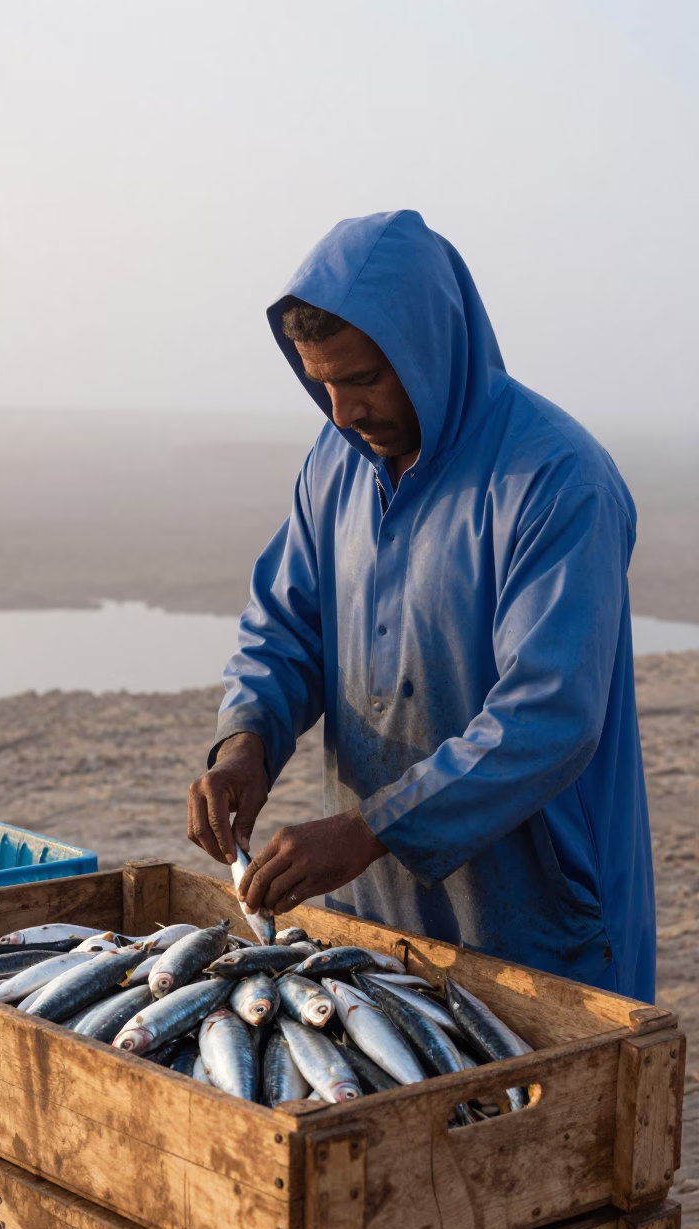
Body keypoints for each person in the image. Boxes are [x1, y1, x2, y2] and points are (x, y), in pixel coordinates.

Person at [187, 210, 655, 1001]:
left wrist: (374, 829)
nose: (342, 412)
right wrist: (245, 743)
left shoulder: (556, 479)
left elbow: (548, 715)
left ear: (432, 349)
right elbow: (283, 629)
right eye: (321, 383)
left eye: (363, 379)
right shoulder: (335, 465)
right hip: (377, 914)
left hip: (544, 924)